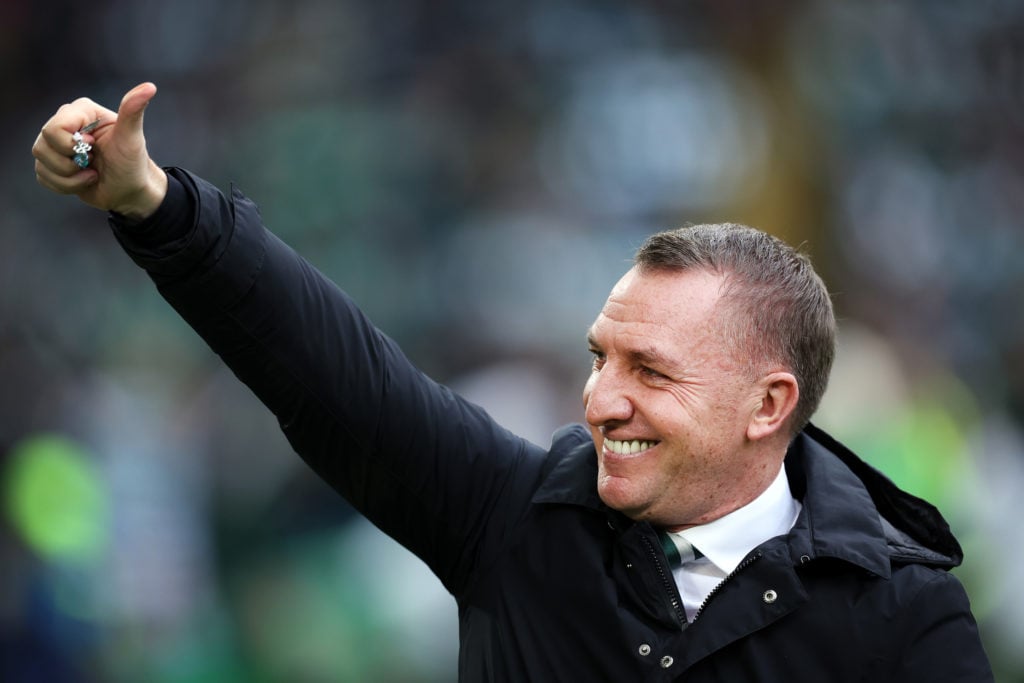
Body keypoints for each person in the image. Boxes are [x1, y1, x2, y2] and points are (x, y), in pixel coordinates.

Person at [32, 83, 994, 681]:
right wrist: (156, 205)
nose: (602, 399)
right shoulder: (517, 518)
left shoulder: (903, 618)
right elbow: (330, 372)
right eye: (601, 357)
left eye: (651, 371)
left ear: (769, 404)